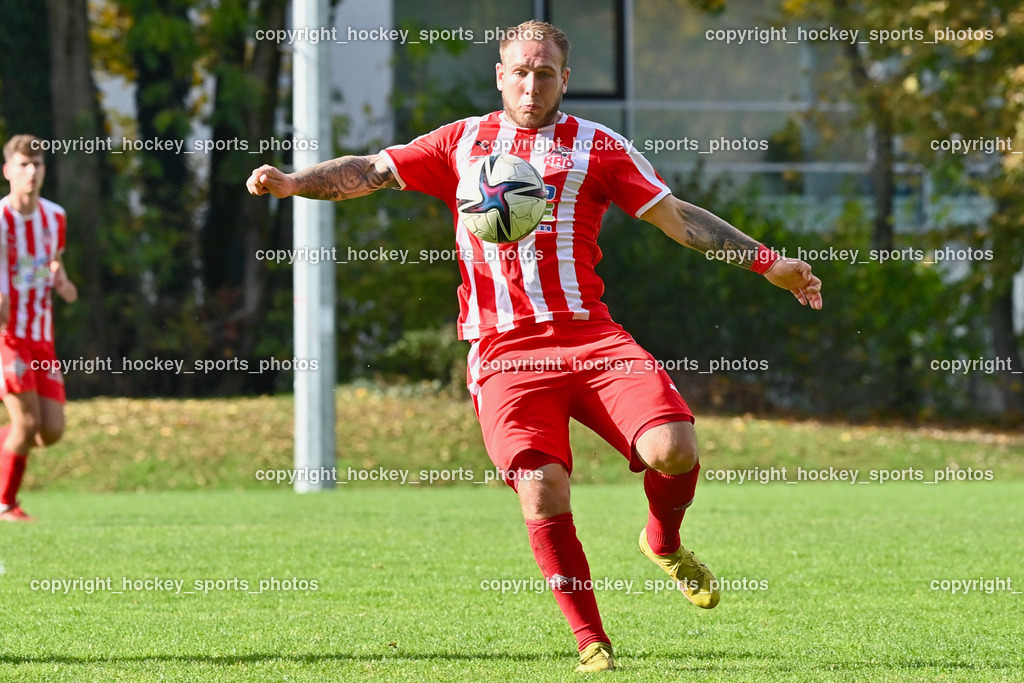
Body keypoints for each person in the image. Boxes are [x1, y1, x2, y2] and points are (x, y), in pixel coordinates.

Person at [247, 20, 822, 673]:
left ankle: (663, 540)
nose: (531, 83)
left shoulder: (599, 148)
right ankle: (592, 641)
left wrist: (768, 262)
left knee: (674, 447)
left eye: (544, 72)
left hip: (589, 334)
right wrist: (295, 185)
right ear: (499, 74)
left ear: (564, 79)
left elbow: (677, 218)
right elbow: (373, 171)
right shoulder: (460, 142)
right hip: (503, 350)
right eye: (519, 71)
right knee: (542, 488)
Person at [0, 134, 78, 522]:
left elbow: (53, 260)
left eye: (38, 165)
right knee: (26, 423)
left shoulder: (55, 216)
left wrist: (61, 280)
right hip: (7, 337)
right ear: (7, 171)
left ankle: (6, 451)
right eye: (24, 165)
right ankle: (6, 504)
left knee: (51, 431)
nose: (32, 172)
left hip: (42, 337)